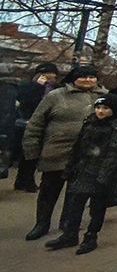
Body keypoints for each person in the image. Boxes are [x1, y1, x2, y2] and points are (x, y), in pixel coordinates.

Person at [23, 64, 108, 240]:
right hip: (56, 152)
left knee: (76, 193)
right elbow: (36, 123)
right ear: (73, 78)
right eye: (83, 76)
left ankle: (68, 224)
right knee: (48, 191)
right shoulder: (56, 95)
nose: (88, 80)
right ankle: (42, 224)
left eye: (92, 77)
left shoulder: (104, 97)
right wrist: (32, 149)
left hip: (86, 155)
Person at [44, 95, 117, 254]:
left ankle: (91, 236)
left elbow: (115, 153)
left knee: (97, 207)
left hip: (102, 172)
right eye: (98, 107)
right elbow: (78, 147)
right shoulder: (90, 122)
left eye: (105, 108)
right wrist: (70, 168)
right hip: (83, 169)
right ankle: (70, 234)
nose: (100, 111)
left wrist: (105, 175)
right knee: (75, 204)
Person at [13, 62, 59, 192]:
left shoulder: (55, 90)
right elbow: (25, 101)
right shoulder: (30, 87)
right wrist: (37, 87)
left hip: (44, 124)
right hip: (26, 122)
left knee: (33, 155)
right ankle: (24, 180)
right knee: (27, 153)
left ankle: (25, 179)